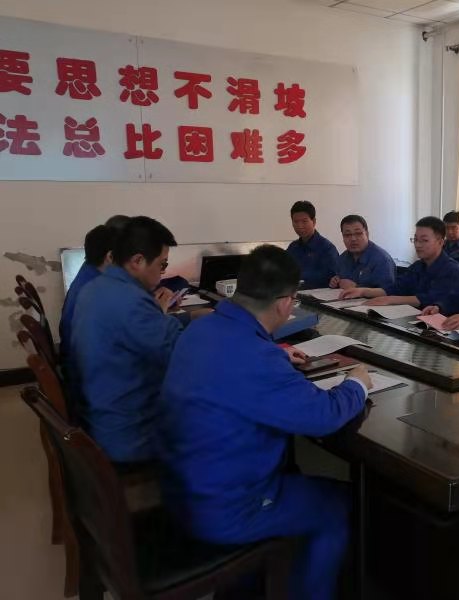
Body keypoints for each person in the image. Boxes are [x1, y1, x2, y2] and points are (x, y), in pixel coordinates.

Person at [157, 245, 372, 600]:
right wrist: (357, 384)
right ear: (286, 304)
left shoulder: (200, 330)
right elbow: (323, 417)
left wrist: (277, 355)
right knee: (337, 503)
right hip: (225, 508)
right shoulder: (257, 358)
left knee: (297, 473)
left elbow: (236, 365)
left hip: (180, 487)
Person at [69, 216, 183, 463]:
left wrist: (183, 319)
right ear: (137, 261)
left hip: (101, 413)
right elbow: (180, 355)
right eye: (162, 264)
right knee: (224, 420)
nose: (162, 272)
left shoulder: (96, 287)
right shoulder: (131, 302)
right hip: (129, 434)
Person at [340, 216, 459, 307]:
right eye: (415, 239)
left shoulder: (452, 269)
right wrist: (362, 291)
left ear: (440, 242)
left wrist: (390, 300)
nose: (418, 245)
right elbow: (396, 288)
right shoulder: (417, 266)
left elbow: (431, 299)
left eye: (424, 240)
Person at [59, 224, 116, 358]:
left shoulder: (89, 269)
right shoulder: (96, 289)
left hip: (75, 354)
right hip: (84, 364)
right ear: (110, 256)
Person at [330, 215, 395, 290]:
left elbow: (388, 292)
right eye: (347, 235)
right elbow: (340, 280)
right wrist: (336, 282)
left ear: (367, 234)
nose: (353, 239)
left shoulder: (382, 260)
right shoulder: (342, 258)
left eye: (358, 233)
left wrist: (357, 288)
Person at [285, 201, 340, 289]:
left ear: (314, 221)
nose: (300, 226)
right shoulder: (293, 247)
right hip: (294, 293)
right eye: (296, 222)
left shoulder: (327, 248)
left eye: (304, 221)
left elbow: (331, 277)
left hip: (320, 295)